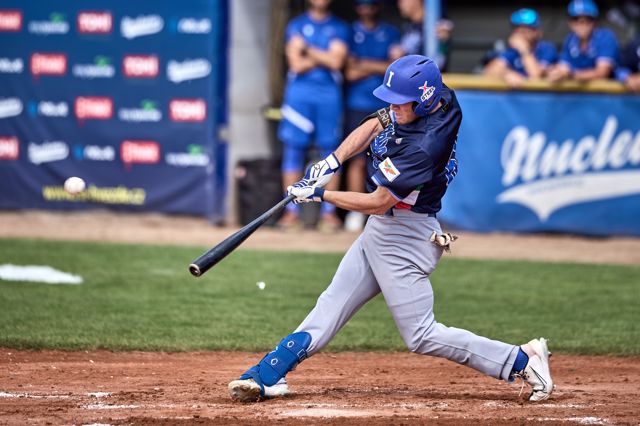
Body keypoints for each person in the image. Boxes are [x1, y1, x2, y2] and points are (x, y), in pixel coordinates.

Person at [227, 55, 554, 404]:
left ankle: (522, 361)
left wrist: (319, 195)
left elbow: (379, 202)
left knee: (421, 334)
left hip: (405, 237)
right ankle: (268, 373)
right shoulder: (439, 97)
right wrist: (331, 162)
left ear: (423, 101)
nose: (393, 108)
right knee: (330, 306)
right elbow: (375, 123)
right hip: (383, 230)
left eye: (401, 102)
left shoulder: (424, 147)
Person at [276, 0, 350, 232]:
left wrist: (306, 48)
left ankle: (329, 214)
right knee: (293, 151)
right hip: (299, 96)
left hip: (328, 96)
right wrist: (323, 56)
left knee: (331, 153)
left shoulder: (339, 27)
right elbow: (296, 65)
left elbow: (336, 61)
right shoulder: (297, 24)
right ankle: (291, 212)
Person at [343, 0, 400, 231]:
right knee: (356, 158)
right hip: (357, 103)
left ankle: (385, 206)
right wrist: (379, 66)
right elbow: (348, 72)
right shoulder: (350, 31)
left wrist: (363, 64)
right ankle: (356, 212)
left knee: (387, 157)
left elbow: (394, 68)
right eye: (362, 4)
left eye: (371, 4)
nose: (367, 8)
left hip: (387, 105)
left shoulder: (390, 32)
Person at [547, 0, 620, 83]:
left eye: (588, 19)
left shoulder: (605, 37)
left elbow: (602, 73)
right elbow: (563, 67)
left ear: (595, 22)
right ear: (570, 23)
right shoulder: (570, 39)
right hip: (580, 90)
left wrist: (571, 74)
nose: (581, 23)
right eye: (576, 19)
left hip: (609, 90)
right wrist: (556, 72)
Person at [484, 8, 558, 87]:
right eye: (518, 28)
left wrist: (524, 50)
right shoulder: (514, 51)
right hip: (521, 94)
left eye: (527, 29)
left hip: (542, 93)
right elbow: (488, 72)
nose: (521, 32)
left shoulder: (547, 49)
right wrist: (507, 74)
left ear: (538, 32)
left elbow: (536, 76)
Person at [390, 0, 453, 71]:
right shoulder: (408, 27)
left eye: (402, 1)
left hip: (431, 75)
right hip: (411, 74)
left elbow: (439, 61)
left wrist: (444, 40)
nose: (399, 4)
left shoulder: (437, 22)